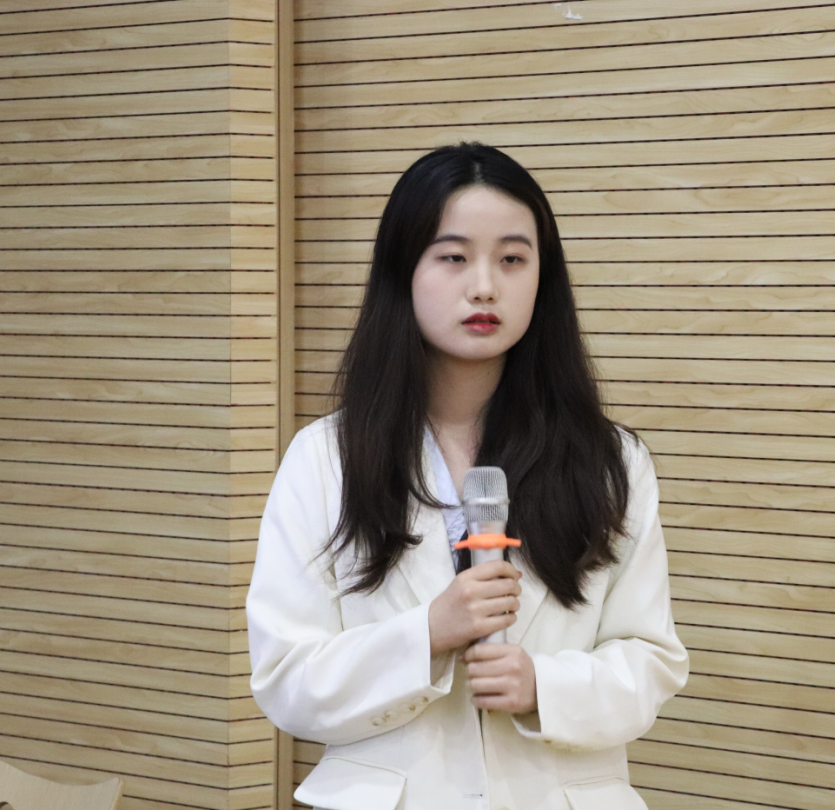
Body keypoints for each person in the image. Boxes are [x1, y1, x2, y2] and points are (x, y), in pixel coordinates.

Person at [246, 143, 689, 810]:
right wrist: (426, 634)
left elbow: (652, 659)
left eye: (512, 259)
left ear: (543, 277)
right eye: (453, 257)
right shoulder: (325, 459)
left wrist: (544, 686)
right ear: (404, 270)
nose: (484, 286)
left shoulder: (609, 461)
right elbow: (286, 679)